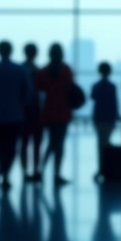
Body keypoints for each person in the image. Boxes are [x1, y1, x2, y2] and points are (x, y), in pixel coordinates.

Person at [0, 40, 31, 191]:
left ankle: (1, 175)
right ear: (11, 51)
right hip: (15, 115)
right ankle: (4, 176)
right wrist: (19, 104)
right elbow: (27, 94)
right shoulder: (20, 70)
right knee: (11, 148)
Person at [37, 43, 76, 186]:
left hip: (49, 111)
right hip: (63, 111)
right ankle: (56, 173)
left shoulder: (43, 71)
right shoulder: (66, 70)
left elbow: (38, 91)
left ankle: (41, 170)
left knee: (52, 143)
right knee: (59, 145)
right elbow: (71, 88)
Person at [19, 42, 44, 183]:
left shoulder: (20, 69)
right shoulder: (39, 71)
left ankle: (24, 172)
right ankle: (35, 171)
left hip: (23, 110)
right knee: (36, 144)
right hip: (36, 110)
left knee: (24, 143)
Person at [92, 61, 119, 182]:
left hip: (99, 118)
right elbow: (114, 104)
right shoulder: (112, 87)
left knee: (100, 144)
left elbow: (94, 99)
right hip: (108, 118)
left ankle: (101, 168)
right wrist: (115, 117)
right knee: (106, 143)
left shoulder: (96, 86)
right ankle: (106, 168)